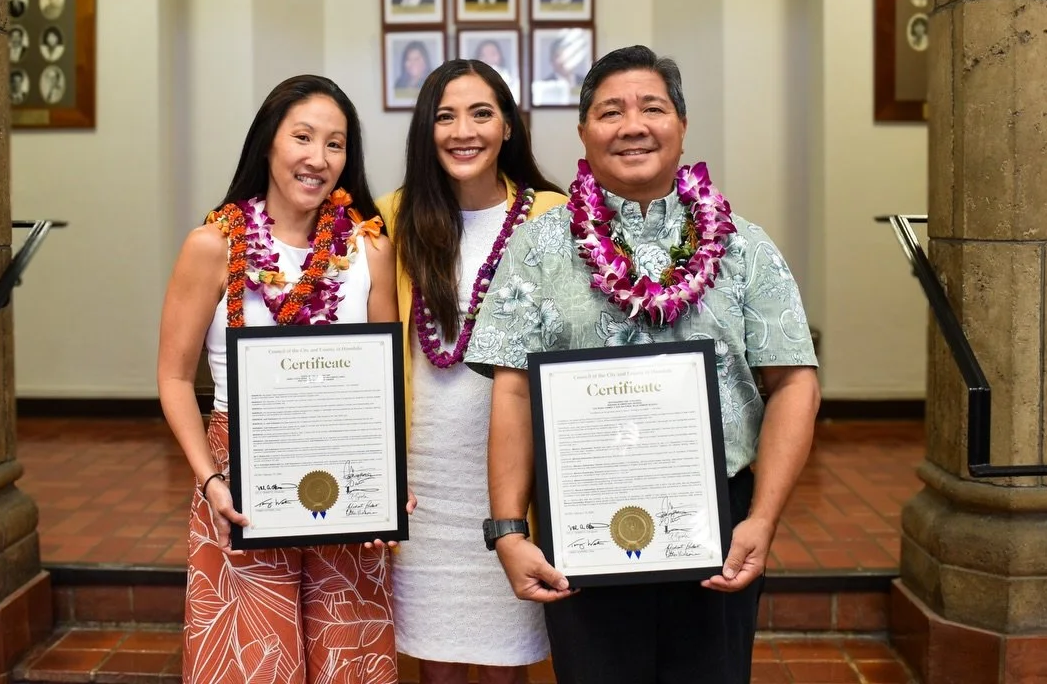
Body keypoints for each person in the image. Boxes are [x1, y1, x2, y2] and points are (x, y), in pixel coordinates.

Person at [472, 46, 821, 684]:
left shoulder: (744, 246)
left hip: (719, 525)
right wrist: (509, 530)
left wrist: (762, 519)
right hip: (582, 515)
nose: (632, 126)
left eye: (652, 108)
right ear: (584, 132)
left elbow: (795, 382)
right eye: (611, 112)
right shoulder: (537, 249)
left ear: (682, 126)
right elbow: (513, 391)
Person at [157, 75, 405, 684]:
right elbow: (173, 377)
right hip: (240, 480)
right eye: (303, 137)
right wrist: (211, 481)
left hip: (345, 473)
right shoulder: (212, 245)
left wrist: (386, 481)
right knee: (253, 659)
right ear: (268, 142)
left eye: (336, 144)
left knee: (349, 658)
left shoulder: (370, 250)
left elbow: (384, 378)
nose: (318, 158)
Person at [378, 60, 566, 684]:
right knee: (435, 659)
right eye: (445, 116)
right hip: (423, 476)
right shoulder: (392, 217)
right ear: (425, 131)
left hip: (513, 481)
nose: (464, 131)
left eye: (482, 114)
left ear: (508, 126)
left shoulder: (555, 218)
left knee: (506, 660)